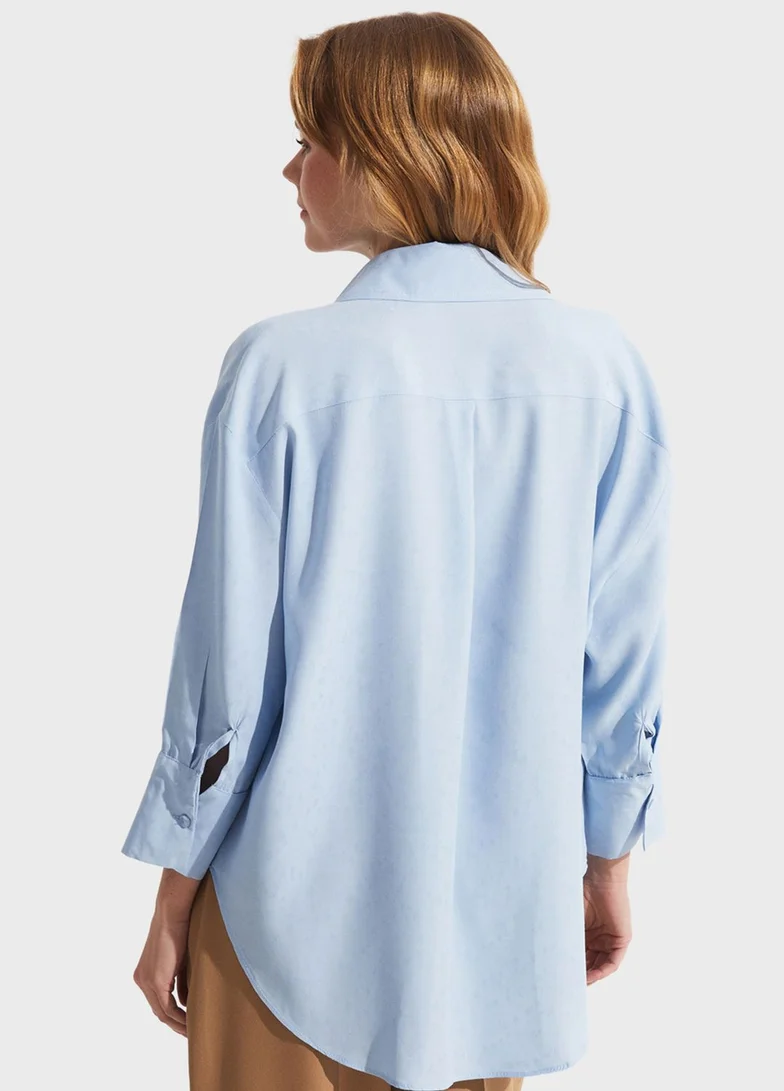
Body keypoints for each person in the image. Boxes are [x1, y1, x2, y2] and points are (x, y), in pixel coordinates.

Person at [121, 12, 670, 1091]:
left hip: (280, 923)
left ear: (385, 151)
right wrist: (609, 859)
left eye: (309, 140)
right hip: (496, 944)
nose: (291, 169)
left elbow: (227, 681)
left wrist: (173, 891)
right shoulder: (603, 369)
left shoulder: (281, 368)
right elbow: (620, 661)